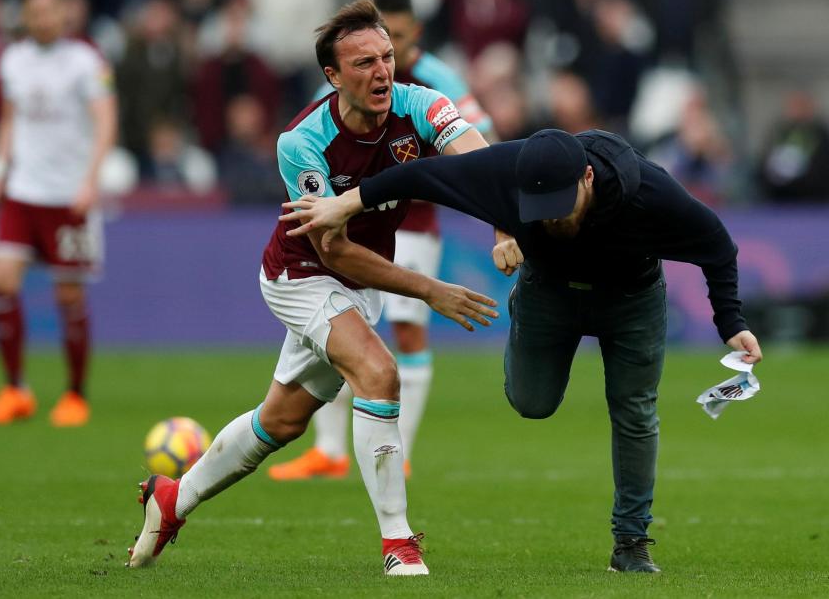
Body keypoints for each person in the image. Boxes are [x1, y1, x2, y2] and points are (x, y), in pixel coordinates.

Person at [280, 127, 764, 573]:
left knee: (635, 411)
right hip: (549, 291)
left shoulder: (649, 195)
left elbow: (717, 244)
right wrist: (347, 204)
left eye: (560, 204)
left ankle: (631, 543)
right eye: (540, 208)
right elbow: (421, 174)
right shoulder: (501, 170)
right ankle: (525, 307)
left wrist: (731, 323)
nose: (551, 217)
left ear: (588, 178)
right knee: (532, 403)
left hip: (632, 299)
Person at [126, 0, 498, 575]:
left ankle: (175, 499)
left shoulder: (420, 104)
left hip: (361, 283)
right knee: (379, 373)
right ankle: (398, 545)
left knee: (281, 421)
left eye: (387, 57)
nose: (382, 72)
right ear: (333, 76)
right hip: (300, 276)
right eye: (364, 63)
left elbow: (482, 163)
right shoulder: (302, 141)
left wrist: (504, 223)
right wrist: (429, 289)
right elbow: (334, 247)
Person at [269, 0, 496, 481]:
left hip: (412, 223)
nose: (381, 63)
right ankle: (329, 450)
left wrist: (501, 216)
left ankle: (402, 449)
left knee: (405, 332)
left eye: (391, 47)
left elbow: (483, 142)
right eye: (372, 50)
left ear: (412, 35)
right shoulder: (329, 102)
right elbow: (316, 133)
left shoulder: (434, 82)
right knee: (343, 339)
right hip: (347, 233)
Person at [0, 0, 117, 427]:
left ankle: (75, 394)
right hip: (22, 191)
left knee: (68, 294)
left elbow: (106, 121)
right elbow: (10, 121)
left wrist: (91, 181)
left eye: (49, 11)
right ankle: (15, 388)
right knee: (0, 280)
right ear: (26, 16)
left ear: (62, 14)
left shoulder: (86, 62)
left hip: (68, 197)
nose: (42, 19)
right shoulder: (13, 59)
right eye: (34, 12)